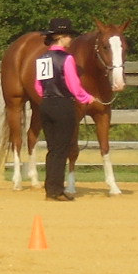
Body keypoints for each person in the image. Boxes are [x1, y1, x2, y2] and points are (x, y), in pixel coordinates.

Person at [35, 18, 94, 202]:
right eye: (69, 36)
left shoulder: (42, 59)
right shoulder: (67, 59)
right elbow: (74, 86)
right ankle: (56, 190)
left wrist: (47, 96)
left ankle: (50, 188)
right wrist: (88, 98)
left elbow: (38, 86)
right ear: (60, 37)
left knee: (52, 149)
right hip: (63, 105)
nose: (71, 40)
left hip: (46, 104)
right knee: (62, 148)